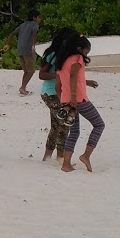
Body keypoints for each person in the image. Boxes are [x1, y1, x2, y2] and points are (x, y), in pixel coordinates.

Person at [58, 34, 104, 172]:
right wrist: (74, 96)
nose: (86, 54)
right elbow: (73, 77)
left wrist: (86, 83)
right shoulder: (77, 59)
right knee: (99, 125)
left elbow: (66, 79)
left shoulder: (63, 60)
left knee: (74, 131)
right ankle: (86, 155)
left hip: (66, 98)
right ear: (80, 49)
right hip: (78, 99)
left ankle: (66, 164)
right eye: (86, 51)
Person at [36, 28, 79, 162]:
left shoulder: (65, 55)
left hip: (58, 93)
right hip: (51, 93)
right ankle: (60, 157)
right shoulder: (52, 55)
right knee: (64, 125)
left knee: (56, 126)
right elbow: (41, 74)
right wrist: (60, 75)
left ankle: (47, 157)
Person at [3, 9, 43, 95]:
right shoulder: (34, 25)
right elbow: (34, 33)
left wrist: (8, 44)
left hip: (20, 50)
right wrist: (33, 45)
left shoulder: (23, 25)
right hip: (28, 50)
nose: (40, 19)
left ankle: (23, 87)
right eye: (39, 17)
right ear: (34, 18)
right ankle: (22, 88)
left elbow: (12, 33)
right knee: (31, 71)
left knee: (26, 71)